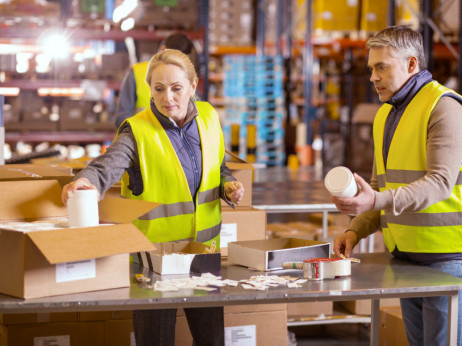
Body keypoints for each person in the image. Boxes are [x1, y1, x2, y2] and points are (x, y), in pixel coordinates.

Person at [62, 49, 244, 346]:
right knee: (155, 341)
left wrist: (229, 185)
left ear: (193, 86)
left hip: (204, 252)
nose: (167, 98)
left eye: (176, 88)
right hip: (154, 259)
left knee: (211, 340)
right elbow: (107, 166)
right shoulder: (137, 131)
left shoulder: (210, 118)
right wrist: (85, 181)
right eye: (158, 89)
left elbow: (218, 167)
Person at [331, 26, 462, 346]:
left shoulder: (444, 107)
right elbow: (379, 186)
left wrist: (373, 201)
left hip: (447, 256)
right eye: (371, 68)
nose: (373, 77)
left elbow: (440, 183)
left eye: (382, 67)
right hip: (405, 255)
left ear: (412, 64)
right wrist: (355, 231)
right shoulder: (385, 115)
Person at [115, 32, 197, 128]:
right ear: (162, 49)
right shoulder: (136, 73)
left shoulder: (188, 77)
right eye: (159, 88)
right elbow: (122, 118)